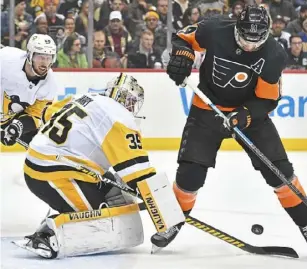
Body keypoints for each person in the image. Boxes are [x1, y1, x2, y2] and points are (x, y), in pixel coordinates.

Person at [151, 5, 307, 255]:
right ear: (236, 28)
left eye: (256, 41)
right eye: (245, 38)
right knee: (190, 174)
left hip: (249, 115)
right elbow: (182, 37)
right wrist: (182, 57)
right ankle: (171, 222)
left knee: (280, 173)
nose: (249, 46)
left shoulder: (274, 54)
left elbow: (268, 100)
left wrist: (245, 115)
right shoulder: (213, 29)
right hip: (207, 109)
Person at [14, 73, 184, 259]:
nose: (131, 106)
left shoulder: (84, 97)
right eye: (131, 102)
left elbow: (46, 114)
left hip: (52, 165)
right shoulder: (120, 118)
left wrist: (16, 127)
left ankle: (67, 214)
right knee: (104, 222)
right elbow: (139, 175)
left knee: (118, 193)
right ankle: (47, 236)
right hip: (52, 173)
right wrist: (169, 216)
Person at [0, 33, 58, 148]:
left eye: (49, 57)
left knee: (43, 148)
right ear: (30, 55)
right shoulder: (6, 58)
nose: (45, 63)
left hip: (10, 118)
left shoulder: (50, 83)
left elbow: (36, 114)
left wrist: (17, 127)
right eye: (40, 57)